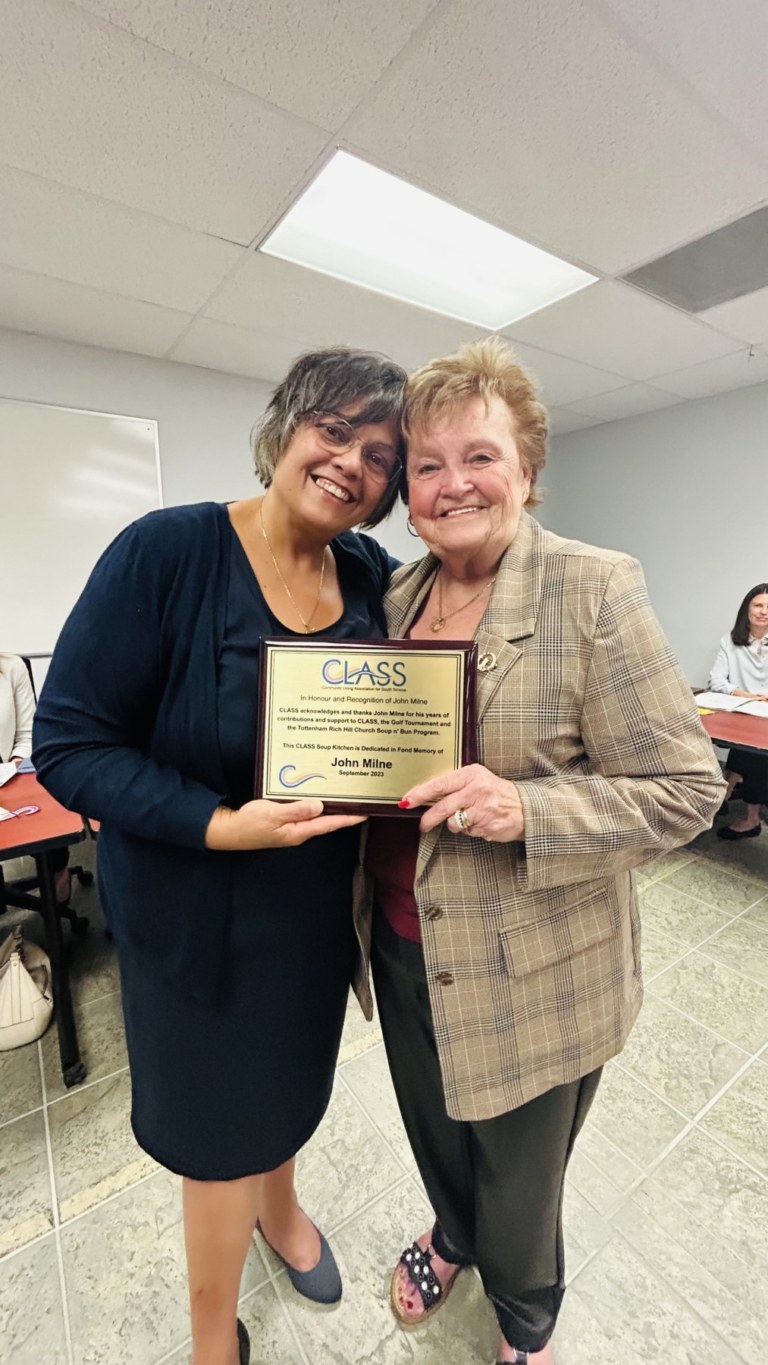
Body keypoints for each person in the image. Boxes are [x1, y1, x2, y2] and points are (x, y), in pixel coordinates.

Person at [32, 346, 407, 1365]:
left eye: (379, 453)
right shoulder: (167, 554)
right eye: (333, 429)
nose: (349, 462)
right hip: (197, 923)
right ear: (285, 426)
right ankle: (211, 1339)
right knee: (213, 1138)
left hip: (312, 918)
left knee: (288, 1089)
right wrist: (217, 821)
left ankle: (282, 1213)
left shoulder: (368, 573)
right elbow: (66, 746)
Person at [364, 338, 724, 1365]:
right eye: (426, 465)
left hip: (536, 958)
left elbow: (688, 789)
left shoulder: (592, 588)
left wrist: (529, 811)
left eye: (479, 456)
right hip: (400, 933)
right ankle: (454, 1233)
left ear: (526, 469)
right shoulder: (395, 599)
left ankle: (526, 1320)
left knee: (522, 1172)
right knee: (433, 1127)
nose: (451, 484)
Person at [0, 652, 70, 903]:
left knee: (50, 812)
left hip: (7, 779)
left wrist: (14, 767)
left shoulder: (10, 667)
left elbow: (27, 734)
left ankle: (57, 877)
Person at [709, 583, 768, 840]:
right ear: (747, 609)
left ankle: (737, 803)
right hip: (742, 712)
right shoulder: (730, 641)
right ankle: (729, 792)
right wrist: (742, 694)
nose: (764, 612)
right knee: (746, 749)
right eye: (758, 605)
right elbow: (717, 681)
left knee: (754, 755)